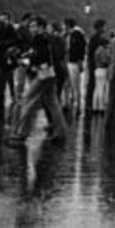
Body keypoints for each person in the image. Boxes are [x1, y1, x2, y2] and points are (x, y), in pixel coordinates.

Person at [6, 16, 68, 147]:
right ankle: (61, 132)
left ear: (41, 27)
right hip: (50, 73)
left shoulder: (39, 38)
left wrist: (24, 60)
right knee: (53, 104)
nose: (31, 29)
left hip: (42, 74)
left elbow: (39, 56)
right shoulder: (48, 38)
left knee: (28, 101)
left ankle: (20, 134)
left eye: (34, 26)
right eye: (30, 26)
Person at [0, 12, 21, 126]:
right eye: (1, 18)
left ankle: (1, 113)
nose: (3, 21)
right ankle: (0, 107)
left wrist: (3, 45)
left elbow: (16, 40)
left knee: (4, 83)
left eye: (5, 19)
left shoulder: (9, 28)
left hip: (4, 60)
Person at [85, 18, 108, 115]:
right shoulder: (97, 38)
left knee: (94, 85)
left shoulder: (94, 37)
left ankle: (93, 105)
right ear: (100, 27)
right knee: (94, 84)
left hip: (93, 63)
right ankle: (92, 104)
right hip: (95, 64)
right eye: (104, 26)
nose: (105, 28)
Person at [65, 17, 87, 117]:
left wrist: (80, 61)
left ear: (68, 25)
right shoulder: (75, 33)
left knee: (75, 85)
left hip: (74, 62)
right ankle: (75, 103)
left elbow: (80, 49)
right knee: (74, 85)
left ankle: (77, 105)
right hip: (73, 62)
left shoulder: (76, 34)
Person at [92, 34, 112, 114]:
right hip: (102, 70)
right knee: (102, 89)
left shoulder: (97, 50)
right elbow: (104, 61)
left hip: (97, 69)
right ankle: (101, 107)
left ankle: (95, 106)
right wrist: (109, 60)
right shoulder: (102, 50)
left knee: (96, 89)